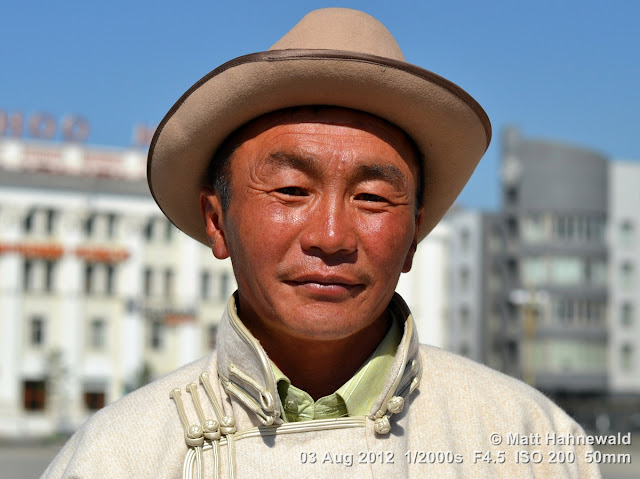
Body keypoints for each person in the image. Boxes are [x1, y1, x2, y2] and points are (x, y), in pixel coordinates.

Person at [42, 8, 601, 478]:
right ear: (218, 221)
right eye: (290, 188)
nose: (331, 236)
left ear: (413, 235)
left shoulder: (530, 444)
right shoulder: (116, 458)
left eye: (374, 197)